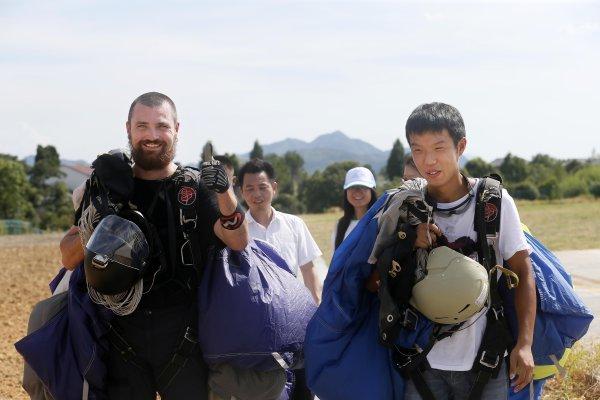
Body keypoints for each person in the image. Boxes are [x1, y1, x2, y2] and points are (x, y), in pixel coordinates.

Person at [59, 91, 248, 400]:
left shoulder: (193, 187)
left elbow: (238, 240)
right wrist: (103, 217)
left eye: (161, 126)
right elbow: (68, 258)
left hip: (184, 336)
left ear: (176, 129)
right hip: (121, 335)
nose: (151, 135)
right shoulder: (106, 185)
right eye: (142, 126)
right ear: (128, 129)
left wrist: (225, 193)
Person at [402, 102, 536, 399]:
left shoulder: (494, 202)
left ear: (460, 146)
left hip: (486, 360)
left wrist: (524, 344)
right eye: (418, 150)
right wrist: (405, 243)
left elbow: (524, 272)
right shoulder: (405, 207)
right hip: (422, 363)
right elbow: (378, 281)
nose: (429, 160)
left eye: (438, 148)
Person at [238, 158, 321, 400]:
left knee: (303, 385)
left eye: (262, 187)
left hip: (296, 317)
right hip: (257, 324)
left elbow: (308, 269)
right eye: (250, 189)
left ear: (274, 187)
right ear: (241, 192)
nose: (257, 194)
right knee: (268, 389)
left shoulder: (294, 224)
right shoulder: (238, 230)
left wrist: (315, 308)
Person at [332, 167, 378, 251]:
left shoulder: (382, 222)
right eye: (352, 187)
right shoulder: (340, 225)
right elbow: (336, 259)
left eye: (363, 187)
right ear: (346, 192)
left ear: (372, 191)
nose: (357, 191)